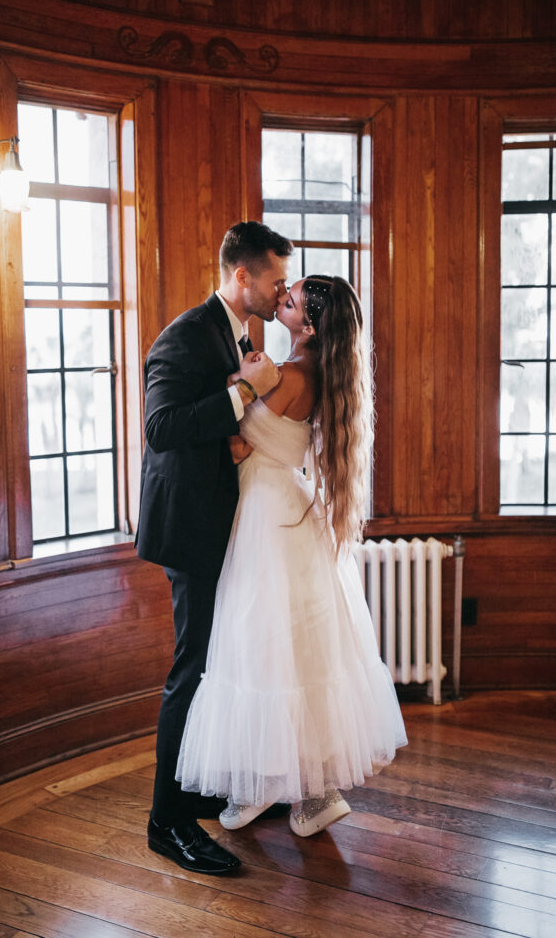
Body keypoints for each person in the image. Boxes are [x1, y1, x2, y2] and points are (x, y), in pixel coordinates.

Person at [177, 274, 408, 837]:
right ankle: (289, 790)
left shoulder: (291, 374)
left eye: (293, 296)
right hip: (285, 507)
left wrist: (242, 382)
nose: (284, 296)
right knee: (292, 655)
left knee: (262, 652)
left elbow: (237, 441)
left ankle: (298, 793)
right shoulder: (312, 370)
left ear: (308, 322)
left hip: (269, 513)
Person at [136, 221, 293, 875]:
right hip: (190, 527)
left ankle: (199, 788)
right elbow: (161, 427)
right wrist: (244, 392)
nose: (280, 292)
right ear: (241, 276)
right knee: (190, 670)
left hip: (223, 522)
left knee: (216, 661)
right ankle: (165, 822)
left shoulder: (239, 335)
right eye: (275, 280)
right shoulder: (182, 335)